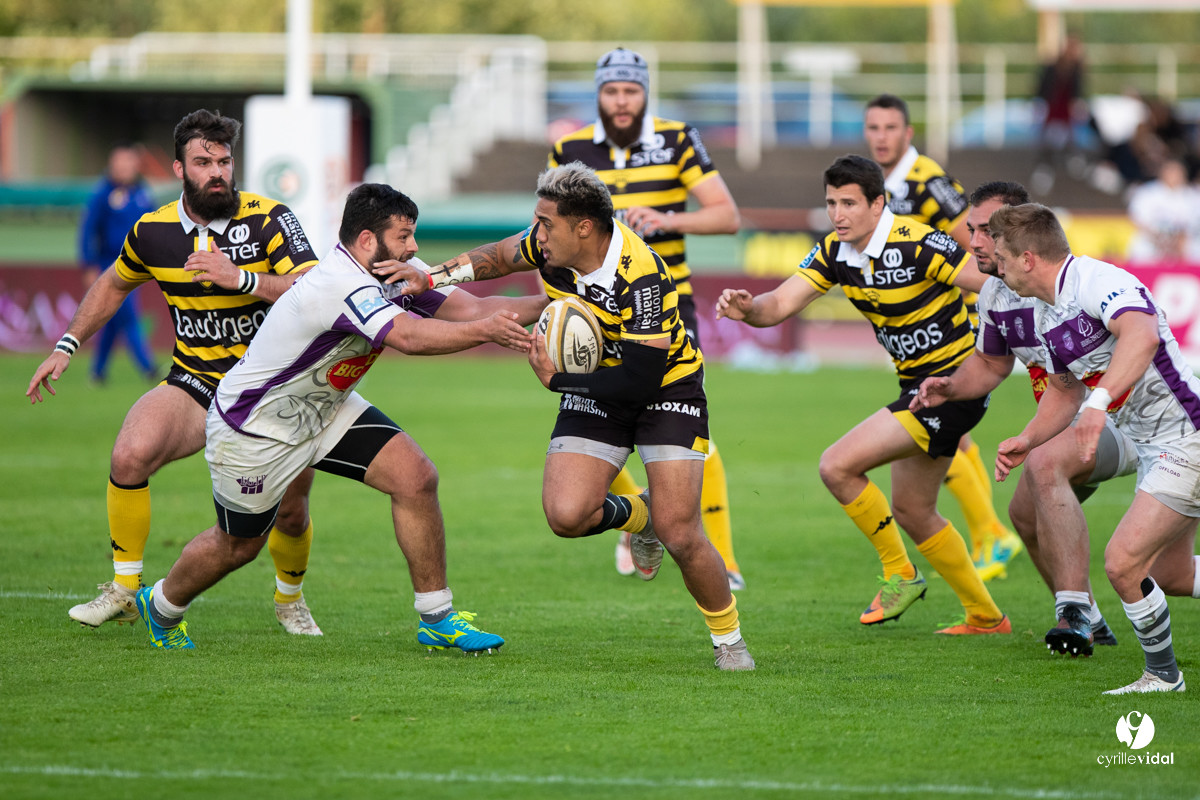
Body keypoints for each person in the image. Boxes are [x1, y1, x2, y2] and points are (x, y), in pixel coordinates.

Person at [133, 183, 535, 651]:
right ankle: (161, 605)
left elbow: (477, 307)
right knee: (238, 546)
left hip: (324, 407)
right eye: (404, 236)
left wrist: (565, 301)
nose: (414, 247)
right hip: (255, 428)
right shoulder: (340, 283)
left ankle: (437, 617)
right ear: (367, 239)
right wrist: (484, 334)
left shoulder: (398, 272)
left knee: (416, 478)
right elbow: (408, 337)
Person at [403, 162, 754, 670]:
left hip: (664, 387)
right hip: (597, 387)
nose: (536, 234)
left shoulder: (643, 274)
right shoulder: (549, 244)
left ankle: (730, 641)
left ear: (583, 227)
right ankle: (643, 515)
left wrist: (557, 380)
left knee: (681, 532)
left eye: (546, 224)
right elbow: (498, 257)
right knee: (567, 516)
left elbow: (639, 377)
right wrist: (429, 275)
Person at [28, 109, 324, 636]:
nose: (217, 172)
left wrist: (241, 277)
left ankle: (289, 598)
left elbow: (313, 291)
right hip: (197, 380)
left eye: (225, 161)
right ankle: (123, 589)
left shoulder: (270, 219)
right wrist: (67, 345)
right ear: (178, 168)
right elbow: (114, 284)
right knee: (130, 452)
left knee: (292, 510)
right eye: (203, 161)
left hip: (273, 390)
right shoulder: (154, 231)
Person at [716, 155, 1008, 635]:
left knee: (837, 465)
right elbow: (778, 305)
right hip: (918, 390)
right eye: (831, 203)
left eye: (849, 203)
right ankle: (985, 616)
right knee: (914, 511)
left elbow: (996, 282)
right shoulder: (835, 251)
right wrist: (748, 308)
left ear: (878, 204)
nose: (838, 214)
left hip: (954, 386)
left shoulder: (919, 243)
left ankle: (900, 573)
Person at [910, 181, 1136, 656]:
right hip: (1077, 415)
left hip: (1128, 414)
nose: (973, 241)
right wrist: (950, 386)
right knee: (1022, 515)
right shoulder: (996, 292)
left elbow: (1119, 348)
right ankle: (1088, 617)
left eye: (986, 230)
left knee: (1044, 466)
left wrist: (1057, 427)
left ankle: (1073, 614)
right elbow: (993, 365)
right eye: (970, 229)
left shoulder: (1067, 285)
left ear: (1020, 233)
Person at [549, 48, 745, 590]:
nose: (620, 101)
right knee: (605, 415)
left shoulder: (678, 138)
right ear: (598, 94)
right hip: (591, 310)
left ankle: (721, 557)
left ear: (645, 93)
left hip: (665, 305)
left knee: (689, 433)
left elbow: (727, 216)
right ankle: (644, 516)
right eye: (611, 91)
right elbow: (547, 223)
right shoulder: (569, 148)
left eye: (630, 91)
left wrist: (667, 218)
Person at [988, 202, 1200, 694]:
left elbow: (1142, 335)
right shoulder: (1044, 311)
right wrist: (1028, 438)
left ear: (1027, 258)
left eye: (1000, 257)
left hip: (1187, 436)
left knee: (1123, 562)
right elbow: (1065, 390)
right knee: (1169, 574)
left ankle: (1162, 676)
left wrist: (1099, 404)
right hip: (1154, 446)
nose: (995, 269)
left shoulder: (1096, 280)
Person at [864, 93, 1021, 580]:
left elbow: (969, 241)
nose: (881, 136)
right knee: (951, 432)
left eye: (890, 127)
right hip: (917, 324)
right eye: (873, 128)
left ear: (908, 134)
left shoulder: (927, 180)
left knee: (935, 424)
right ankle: (988, 533)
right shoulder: (881, 185)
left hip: (951, 318)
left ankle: (992, 533)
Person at [77, 142, 159, 384]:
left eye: (128, 162)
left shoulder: (142, 193)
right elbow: (87, 231)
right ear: (111, 165)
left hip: (137, 265)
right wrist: (89, 265)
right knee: (128, 315)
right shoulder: (102, 194)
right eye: (119, 162)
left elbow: (154, 226)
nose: (124, 167)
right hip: (109, 264)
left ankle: (97, 372)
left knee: (112, 320)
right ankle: (149, 368)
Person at [1126, 158, 1200, 264]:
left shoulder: (1193, 196)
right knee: (1141, 248)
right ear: (1162, 172)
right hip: (1153, 240)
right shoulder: (1147, 193)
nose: (1173, 175)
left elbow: (1194, 224)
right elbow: (1138, 220)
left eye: (1176, 171)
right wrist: (1161, 240)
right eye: (1169, 171)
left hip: (1184, 242)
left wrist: (1178, 241)